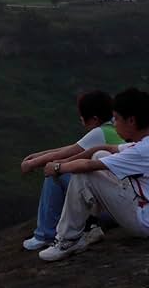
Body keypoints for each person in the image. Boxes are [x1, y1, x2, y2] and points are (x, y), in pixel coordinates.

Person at [38, 87, 149, 261]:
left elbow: (88, 166)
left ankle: (68, 239)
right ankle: (90, 227)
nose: (114, 123)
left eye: (117, 118)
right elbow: (105, 149)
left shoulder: (141, 152)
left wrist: (57, 168)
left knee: (84, 173)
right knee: (101, 155)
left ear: (131, 121)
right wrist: (67, 161)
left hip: (148, 223)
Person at [19, 90, 125, 251]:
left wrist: (31, 164)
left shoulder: (99, 133)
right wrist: (38, 156)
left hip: (110, 211)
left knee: (56, 174)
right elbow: (73, 148)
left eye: (82, 116)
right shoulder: (113, 129)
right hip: (121, 205)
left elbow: (65, 153)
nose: (80, 119)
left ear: (94, 119)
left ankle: (45, 235)